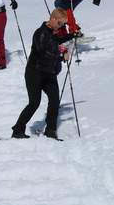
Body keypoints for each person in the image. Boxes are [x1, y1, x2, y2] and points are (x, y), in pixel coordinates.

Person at [10, 9, 71, 139]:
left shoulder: (52, 33)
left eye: (63, 25)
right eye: (60, 23)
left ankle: (50, 130)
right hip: (35, 72)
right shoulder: (40, 33)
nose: (61, 26)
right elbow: (45, 54)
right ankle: (18, 130)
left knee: (54, 100)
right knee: (34, 102)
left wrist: (73, 35)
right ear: (53, 19)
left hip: (49, 73)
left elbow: (56, 41)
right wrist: (61, 56)